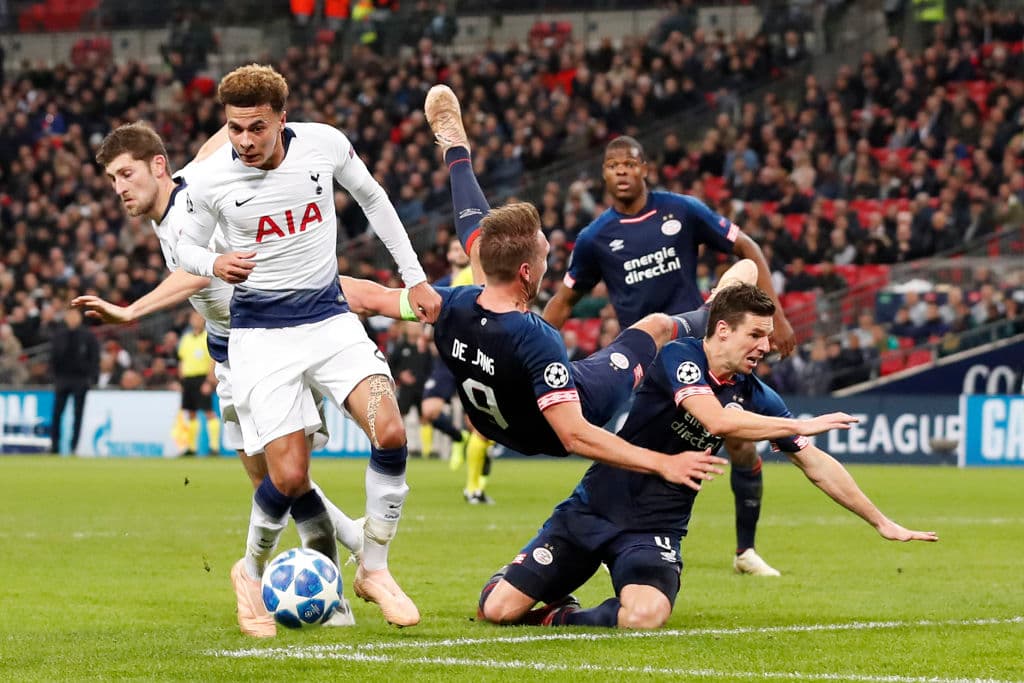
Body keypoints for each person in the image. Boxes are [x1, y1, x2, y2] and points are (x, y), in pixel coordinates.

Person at [340, 86, 848, 487]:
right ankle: (715, 307)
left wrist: (297, 282)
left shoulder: (446, 302)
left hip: (496, 418)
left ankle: (456, 150)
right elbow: (577, 434)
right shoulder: (536, 337)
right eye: (543, 254)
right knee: (654, 328)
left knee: (481, 242)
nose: (547, 259)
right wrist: (659, 464)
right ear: (526, 273)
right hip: (569, 410)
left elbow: (368, 296)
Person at [477, 284, 939, 630]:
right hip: (592, 510)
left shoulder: (756, 393)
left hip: (654, 529)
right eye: (756, 334)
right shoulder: (679, 356)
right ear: (722, 330)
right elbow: (716, 421)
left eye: (768, 335)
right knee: (496, 610)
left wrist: (881, 521)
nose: (765, 345)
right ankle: (529, 580)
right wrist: (799, 425)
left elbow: (815, 464)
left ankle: (559, 618)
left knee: (645, 616)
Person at [175, 65, 440, 631]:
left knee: (390, 431)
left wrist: (414, 276)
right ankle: (249, 571)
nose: (245, 140)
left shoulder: (324, 146)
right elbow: (182, 252)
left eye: (257, 128)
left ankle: (374, 568)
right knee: (291, 478)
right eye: (235, 128)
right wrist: (212, 263)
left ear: (282, 120)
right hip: (261, 337)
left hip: (327, 317)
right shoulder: (208, 181)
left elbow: (374, 199)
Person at [77, 121, 364, 635]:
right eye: (112, 180)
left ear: (156, 167)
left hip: (272, 342)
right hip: (230, 356)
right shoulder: (186, 185)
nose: (119, 188)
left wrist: (131, 310)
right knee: (274, 483)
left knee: (287, 478)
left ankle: (339, 580)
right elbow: (213, 145)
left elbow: (201, 272)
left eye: (125, 174)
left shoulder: (195, 202)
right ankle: (349, 559)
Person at [541, 134, 800, 576]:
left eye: (630, 163)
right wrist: (536, 352)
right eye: (612, 165)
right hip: (642, 359)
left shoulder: (681, 210)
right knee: (633, 449)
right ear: (604, 174)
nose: (621, 171)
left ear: (645, 168)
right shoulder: (595, 237)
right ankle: (615, 539)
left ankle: (745, 551)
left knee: (739, 442)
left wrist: (775, 314)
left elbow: (748, 250)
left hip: (698, 345)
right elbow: (564, 302)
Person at [49, 308, 99, 455]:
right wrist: (55, 376)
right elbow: (53, 357)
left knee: (78, 415)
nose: (72, 319)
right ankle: (54, 446)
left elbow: (94, 358)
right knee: (57, 414)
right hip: (62, 378)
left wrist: (91, 377)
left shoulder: (88, 336)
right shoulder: (59, 335)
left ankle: (74, 446)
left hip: (80, 379)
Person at [177, 311, 220, 455]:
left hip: (202, 378)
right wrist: (181, 376)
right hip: (188, 379)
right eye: (194, 318)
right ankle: (191, 447)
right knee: (191, 413)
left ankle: (214, 447)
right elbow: (182, 358)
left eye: (199, 318)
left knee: (209, 412)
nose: (196, 320)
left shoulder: (208, 336)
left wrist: (209, 379)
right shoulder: (186, 338)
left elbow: (213, 359)